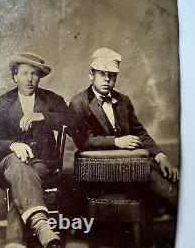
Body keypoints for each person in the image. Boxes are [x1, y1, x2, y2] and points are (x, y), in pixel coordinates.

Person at [69, 47, 179, 218]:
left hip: (131, 163)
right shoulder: (79, 103)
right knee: (151, 174)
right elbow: (84, 141)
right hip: (99, 170)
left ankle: (176, 208)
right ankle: (181, 209)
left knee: (168, 171)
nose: (107, 80)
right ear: (91, 74)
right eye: (102, 74)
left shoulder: (123, 100)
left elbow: (140, 132)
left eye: (111, 75)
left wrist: (160, 155)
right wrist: (117, 142)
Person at [0, 52, 71, 248]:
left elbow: (74, 122)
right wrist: (13, 146)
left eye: (34, 73)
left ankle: (15, 241)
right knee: (17, 164)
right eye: (24, 73)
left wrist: (42, 116)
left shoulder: (52, 100)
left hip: (43, 165)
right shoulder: (1, 104)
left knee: (22, 182)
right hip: (6, 166)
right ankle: (42, 226)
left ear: (40, 77)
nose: (30, 79)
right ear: (15, 76)